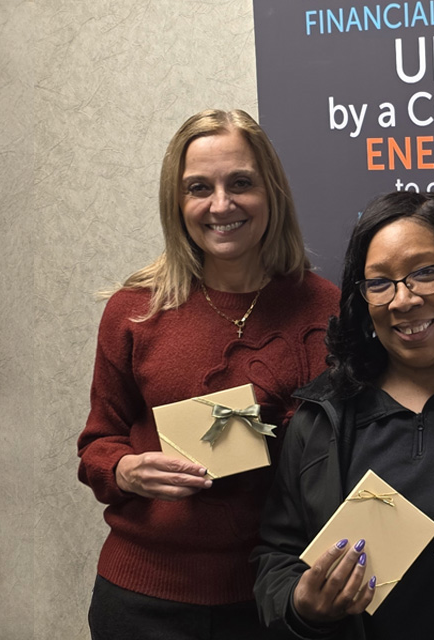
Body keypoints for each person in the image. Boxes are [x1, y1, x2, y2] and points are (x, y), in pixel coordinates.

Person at [77, 109, 339, 639]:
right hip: (143, 600)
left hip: (271, 599)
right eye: (199, 187)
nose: (221, 205)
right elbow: (97, 444)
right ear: (177, 204)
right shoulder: (135, 310)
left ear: (272, 193)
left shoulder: (326, 310)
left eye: (240, 183)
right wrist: (125, 471)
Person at [252, 190, 434, 640]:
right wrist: (302, 604)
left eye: (425, 272)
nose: (403, 299)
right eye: (380, 282)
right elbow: (275, 557)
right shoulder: (322, 418)